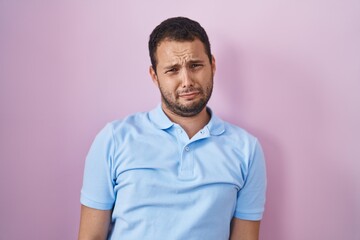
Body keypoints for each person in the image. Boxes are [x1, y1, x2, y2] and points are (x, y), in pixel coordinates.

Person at [78, 16, 266, 240]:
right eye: (172, 70)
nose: (186, 81)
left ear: (212, 65)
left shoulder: (247, 150)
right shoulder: (113, 139)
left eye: (195, 66)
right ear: (154, 76)